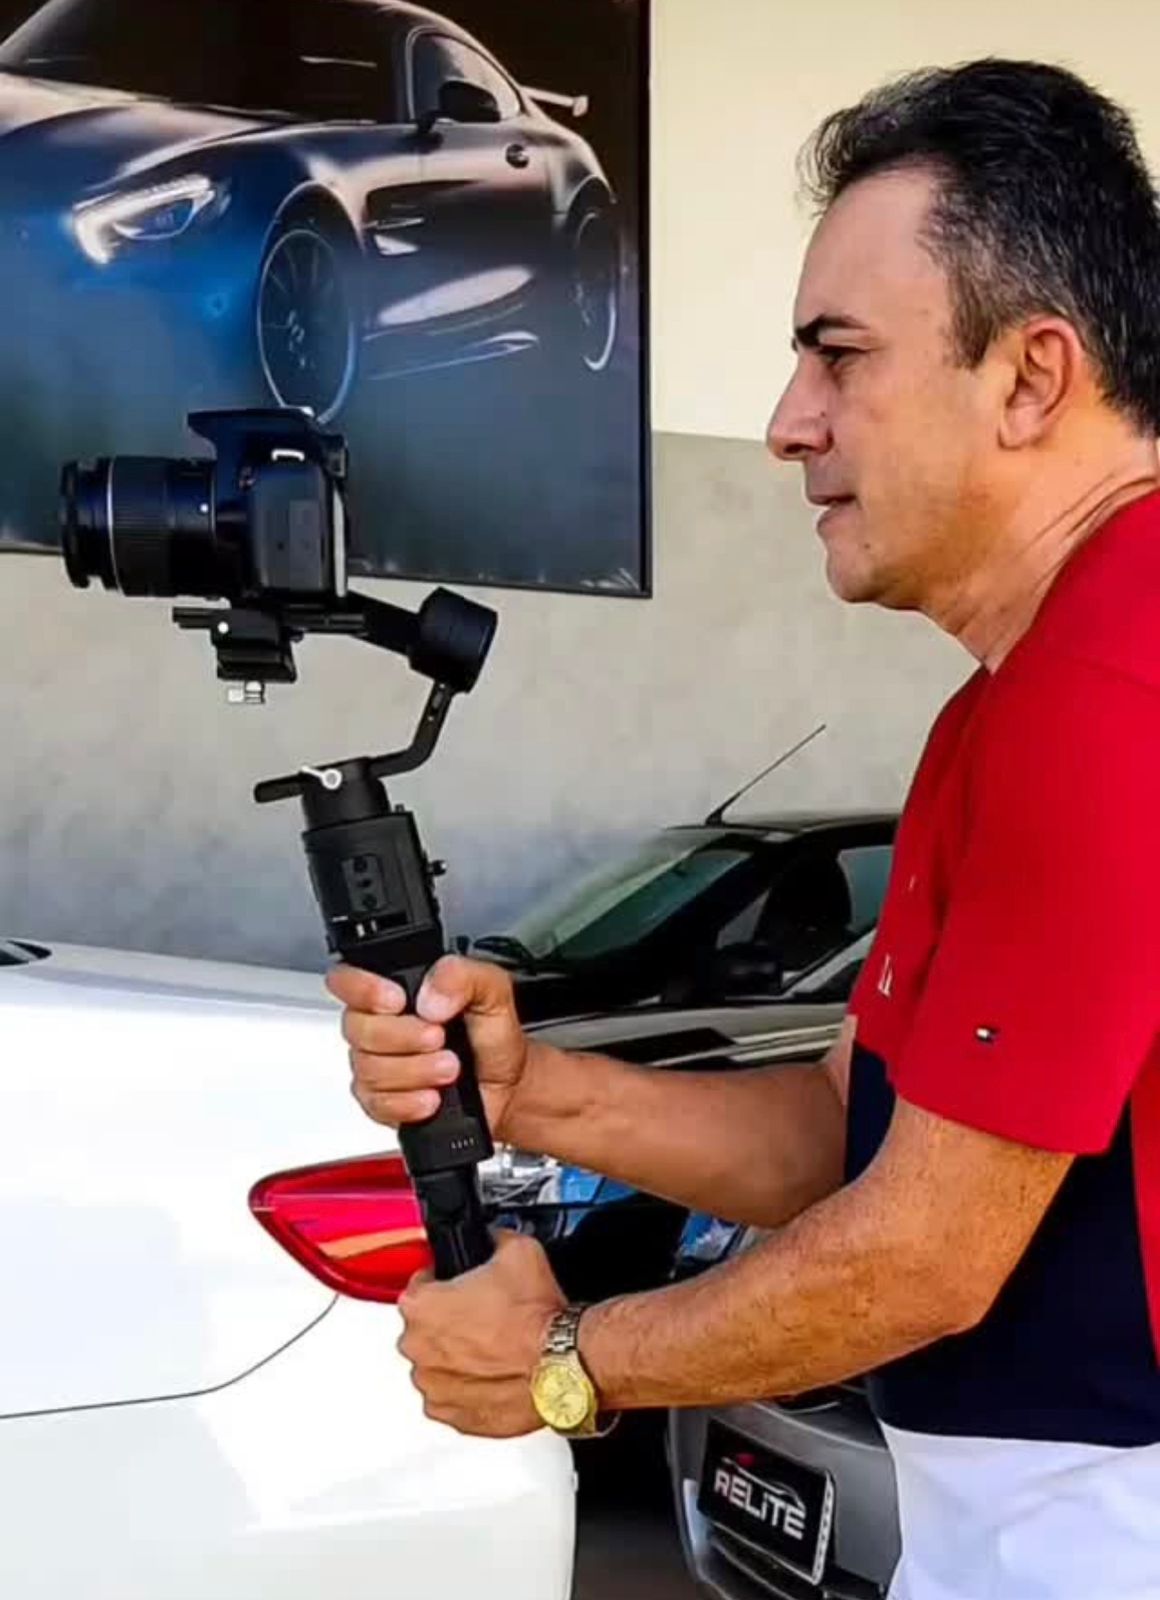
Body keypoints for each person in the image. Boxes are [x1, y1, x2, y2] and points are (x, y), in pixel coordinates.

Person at [328, 59, 1160, 1600]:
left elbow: (925, 1255)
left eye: (839, 357)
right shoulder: (1013, 702)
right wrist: (532, 1089)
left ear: (1032, 378)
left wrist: (563, 1361)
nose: (787, 426)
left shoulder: (1115, 681)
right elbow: (838, 1138)